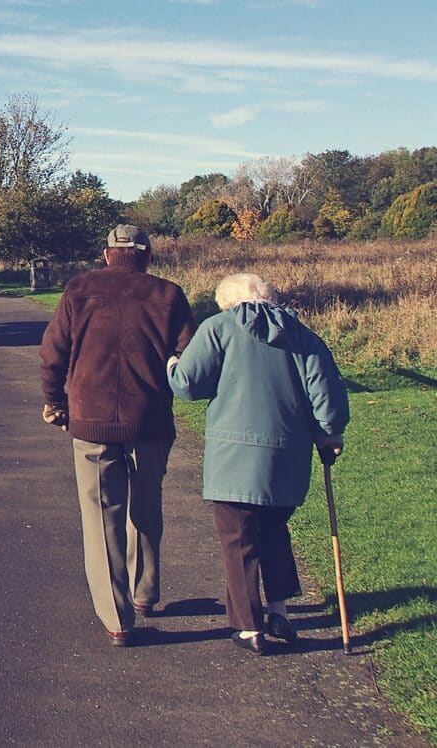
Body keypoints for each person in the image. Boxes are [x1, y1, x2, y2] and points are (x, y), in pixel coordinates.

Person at [166, 273, 349, 654]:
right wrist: (330, 434)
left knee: (239, 539)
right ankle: (279, 610)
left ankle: (249, 627)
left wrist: (171, 365)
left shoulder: (219, 328)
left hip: (233, 458)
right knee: (274, 530)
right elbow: (327, 398)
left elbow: (187, 384)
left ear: (228, 303)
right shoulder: (303, 335)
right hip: (288, 456)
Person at [39, 224, 196, 647]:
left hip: (91, 421)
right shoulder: (169, 295)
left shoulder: (79, 290)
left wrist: (55, 401)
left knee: (101, 516)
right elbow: (188, 357)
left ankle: (118, 618)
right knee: (146, 506)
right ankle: (145, 593)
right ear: (147, 255)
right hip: (151, 420)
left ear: (108, 254)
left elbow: (53, 352)